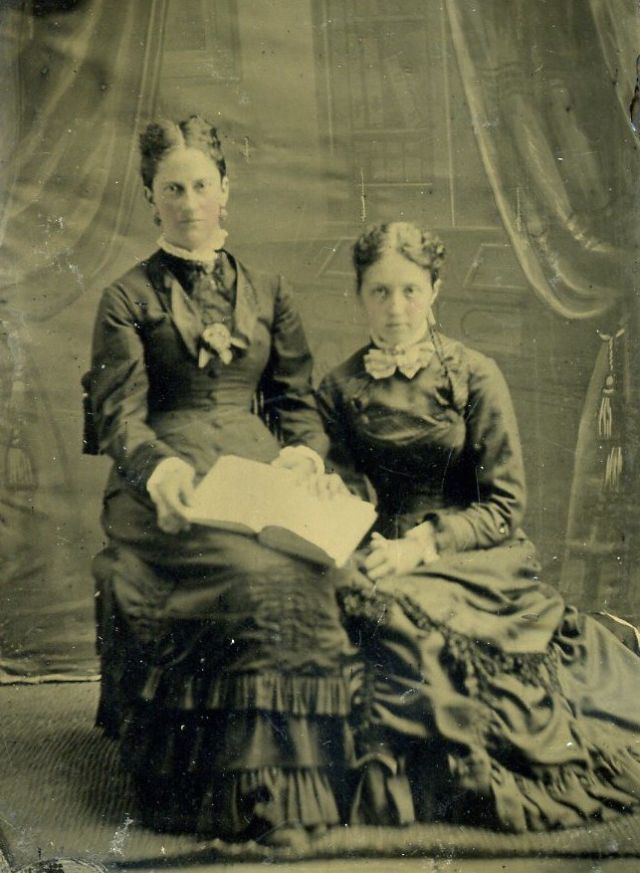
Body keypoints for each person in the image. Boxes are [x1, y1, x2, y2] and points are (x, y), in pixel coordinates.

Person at [82, 116, 354, 845]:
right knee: (256, 574)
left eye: (202, 185)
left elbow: (297, 402)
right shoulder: (126, 298)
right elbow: (118, 417)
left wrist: (302, 457)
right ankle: (244, 795)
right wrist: (161, 469)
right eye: (173, 188)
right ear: (151, 197)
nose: (190, 203)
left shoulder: (268, 289)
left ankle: (302, 785)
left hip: (255, 471)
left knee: (321, 567)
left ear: (226, 190)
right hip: (164, 482)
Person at [316, 221, 640, 832]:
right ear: (359, 295)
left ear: (435, 290)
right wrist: (355, 536)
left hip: (469, 550)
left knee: (412, 622)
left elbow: (504, 504)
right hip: (379, 550)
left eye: (410, 290)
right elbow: (344, 495)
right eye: (379, 291)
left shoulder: (473, 374)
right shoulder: (339, 387)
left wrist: (424, 543)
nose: (395, 308)